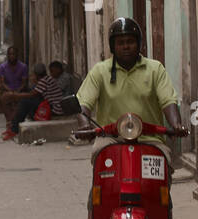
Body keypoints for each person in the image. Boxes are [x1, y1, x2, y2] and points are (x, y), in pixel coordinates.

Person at [75, 18, 185, 152]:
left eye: (130, 42)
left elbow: (168, 101)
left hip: (149, 138)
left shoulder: (155, 69)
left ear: (139, 44)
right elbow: (83, 103)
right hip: (110, 138)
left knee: (164, 161)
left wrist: (176, 124)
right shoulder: (100, 71)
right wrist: (84, 125)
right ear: (113, 46)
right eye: (120, 43)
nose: (126, 46)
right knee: (99, 153)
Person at [9, 62, 65, 135]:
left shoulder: (44, 81)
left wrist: (15, 95)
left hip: (55, 108)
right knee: (30, 102)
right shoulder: (47, 79)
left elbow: (31, 94)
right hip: (55, 106)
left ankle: (14, 129)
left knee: (25, 103)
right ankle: (14, 124)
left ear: (37, 74)